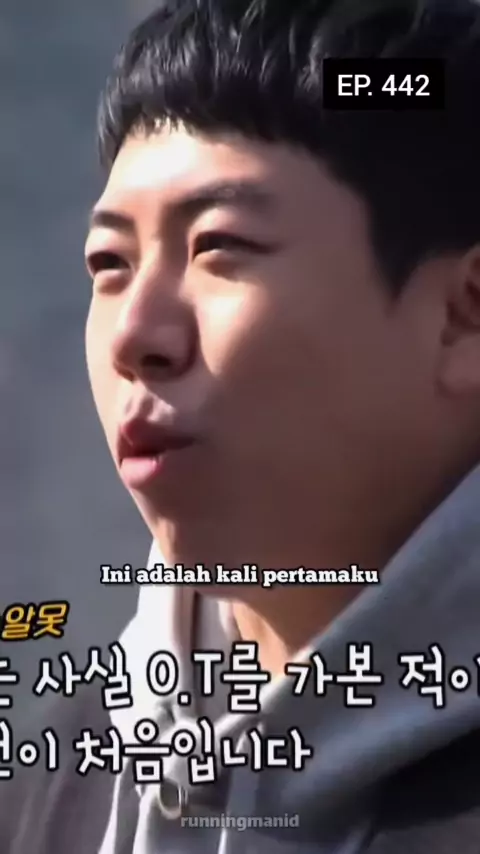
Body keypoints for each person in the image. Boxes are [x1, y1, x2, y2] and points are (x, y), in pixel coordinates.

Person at [5, 0, 480, 851]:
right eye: (109, 264)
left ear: (462, 316)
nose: (135, 335)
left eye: (218, 247)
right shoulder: (65, 784)